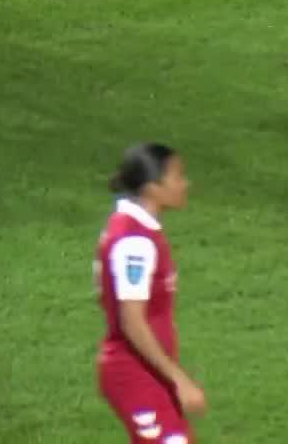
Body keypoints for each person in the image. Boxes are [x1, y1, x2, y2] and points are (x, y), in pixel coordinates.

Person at [95, 143, 206, 443]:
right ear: (152, 188)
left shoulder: (135, 231)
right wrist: (179, 378)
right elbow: (132, 321)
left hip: (148, 372)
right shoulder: (134, 242)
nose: (185, 184)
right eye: (177, 176)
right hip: (132, 373)